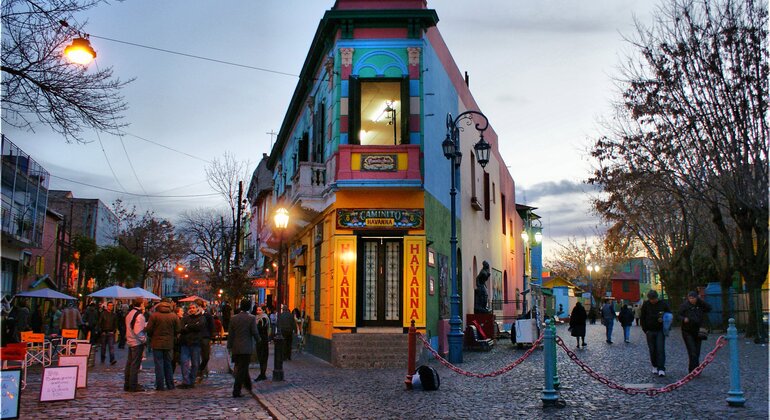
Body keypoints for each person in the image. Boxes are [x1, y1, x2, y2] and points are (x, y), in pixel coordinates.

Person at [145, 298, 181, 391]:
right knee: (168, 364)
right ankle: (170, 384)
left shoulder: (154, 316)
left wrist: (152, 335)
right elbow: (178, 329)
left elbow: (149, 329)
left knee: (158, 365)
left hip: (157, 343)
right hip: (169, 343)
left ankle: (160, 385)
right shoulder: (173, 316)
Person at [228, 299, 259, 398]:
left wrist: (229, 346)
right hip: (246, 347)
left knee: (242, 367)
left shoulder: (233, 318)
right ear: (249, 307)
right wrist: (259, 340)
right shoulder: (251, 318)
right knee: (242, 369)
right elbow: (254, 332)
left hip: (236, 347)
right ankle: (236, 391)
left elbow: (231, 334)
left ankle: (248, 385)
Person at [678, 291, 712, 372]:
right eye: (690, 298)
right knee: (692, 351)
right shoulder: (684, 306)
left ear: (696, 298)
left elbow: (709, 308)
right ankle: (692, 370)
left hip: (698, 331)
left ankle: (696, 369)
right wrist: (683, 319)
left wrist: (700, 301)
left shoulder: (700, 305)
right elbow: (678, 315)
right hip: (687, 331)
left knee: (697, 351)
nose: (692, 300)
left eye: (693, 298)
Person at [640, 290, 671, 377]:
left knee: (660, 349)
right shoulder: (646, 305)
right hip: (649, 330)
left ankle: (661, 368)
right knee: (652, 349)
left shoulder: (663, 304)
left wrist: (664, 320)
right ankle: (654, 365)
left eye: (654, 299)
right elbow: (642, 317)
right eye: (651, 299)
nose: (653, 301)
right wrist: (645, 330)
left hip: (660, 330)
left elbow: (669, 315)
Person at [179, 302, 204, 389]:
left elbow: (199, 327)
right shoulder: (185, 318)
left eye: (193, 307)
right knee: (184, 362)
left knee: (195, 364)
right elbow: (181, 329)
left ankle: (192, 380)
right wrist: (192, 327)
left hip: (195, 343)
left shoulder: (201, 318)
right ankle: (186, 381)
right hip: (185, 343)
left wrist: (188, 327)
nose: (192, 309)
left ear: (197, 308)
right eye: (190, 308)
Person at [124, 298, 147, 392]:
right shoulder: (139, 315)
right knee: (134, 365)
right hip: (136, 342)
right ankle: (133, 385)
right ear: (141, 304)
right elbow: (138, 331)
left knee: (130, 363)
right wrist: (144, 339)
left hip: (130, 340)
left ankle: (128, 383)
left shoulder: (130, 313)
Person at [196, 299, 215, 383]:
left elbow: (212, 326)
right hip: (196, 338)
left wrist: (211, 336)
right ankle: (197, 372)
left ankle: (201, 369)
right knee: (196, 357)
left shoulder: (207, 315)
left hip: (205, 337)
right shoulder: (193, 315)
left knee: (206, 357)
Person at [254, 305, 270, 381]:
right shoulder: (257, 318)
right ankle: (262, 373)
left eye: (260, 310)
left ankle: (262, 374)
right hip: (260, 340)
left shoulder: (264, 318)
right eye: (257, 310)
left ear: (263, 311)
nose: (258, 312)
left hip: (263, 340)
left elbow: (261, 329)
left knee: (263, 356)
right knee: (261, 357)